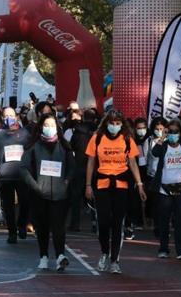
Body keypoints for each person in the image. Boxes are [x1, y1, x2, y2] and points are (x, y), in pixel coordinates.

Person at [85, 110, 147, 274]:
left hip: (121, 185)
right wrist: (88, 185)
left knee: (117, 223)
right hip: (102, 183)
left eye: (118, 123)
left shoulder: (127, 139)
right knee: (103, 221)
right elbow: (91, 162)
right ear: (106, 123)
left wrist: (139, 184)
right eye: (112, 123)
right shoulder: (97, 138)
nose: (114, 126)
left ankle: (114, 260)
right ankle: (105, 252)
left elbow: (133, 162)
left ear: (122, 124)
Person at [19, 114, 75, 271]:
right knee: (42, 227)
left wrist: (67, 181)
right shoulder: (33, 146)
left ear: (57, 127)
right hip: (39, 194)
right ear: (41, 126)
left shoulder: (64, 146)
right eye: (46, 125)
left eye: (52, 125)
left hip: (60, 194)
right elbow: (23, 168)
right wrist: (34, 185)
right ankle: (43, 256)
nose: (49, 128)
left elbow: (72, 167)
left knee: (58, 227)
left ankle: (60, 256)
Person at [150, 120, 181, 260]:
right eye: (170, 132)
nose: (173, 134)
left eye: (176, 132)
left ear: (180, 133)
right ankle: (163, 249)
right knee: (164, 219)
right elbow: (154, 153)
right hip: (164, 189)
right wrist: (163, 137)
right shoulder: (163, 147)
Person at [0, 107, 31, 244]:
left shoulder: (26, 133)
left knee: (25, 202)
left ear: (16, 116)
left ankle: (22, 225)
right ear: (2, 117)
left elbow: (32, 151)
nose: (9, 118)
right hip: (5, 176)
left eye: (11, 115)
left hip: (23, 175)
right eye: (6, 116)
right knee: (8, 205)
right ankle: (12, 232)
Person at [68, 109, 98, 232]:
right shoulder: (98, 132)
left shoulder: (77, 132)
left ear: (83, 118)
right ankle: (95, 223)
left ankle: (75, 224)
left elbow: (71, 147)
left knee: (76, 197)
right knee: (95, 197)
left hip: (79, 166)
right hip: (95, 167)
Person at [144, 117, 168, 234]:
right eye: (157, 128)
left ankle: (162, 225)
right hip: (152, 175)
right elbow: (151, 156)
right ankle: (156, 223)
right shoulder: (149, 141)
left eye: (161, 128)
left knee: (164, 202)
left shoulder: (170, 140)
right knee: (155, 201)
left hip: (166, 176)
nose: (159, 131)